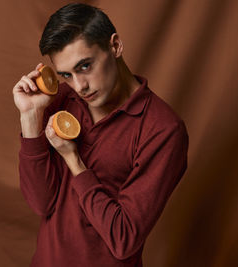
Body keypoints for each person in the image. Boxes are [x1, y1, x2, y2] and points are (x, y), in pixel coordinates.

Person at [12, 3, 188, 266]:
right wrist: (30, 118)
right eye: (66, 75)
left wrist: (74, 161)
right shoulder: (61, 99)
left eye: (85, 66)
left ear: (115, 46)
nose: (79, 86)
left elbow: (123, 239)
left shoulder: (163, 130)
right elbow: (41, 204)